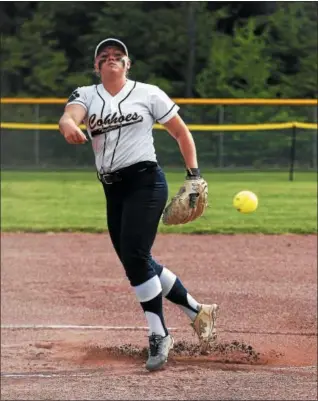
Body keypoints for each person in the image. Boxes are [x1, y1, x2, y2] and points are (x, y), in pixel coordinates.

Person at [58, 38, 219, 372]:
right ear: (97, 66)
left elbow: (180, 132)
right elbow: (68, 117)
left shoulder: (149, 93)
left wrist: (194, 175)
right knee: (138, 261)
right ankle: (196, 311)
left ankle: (159, 334)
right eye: (105, 56)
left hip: (146, 182)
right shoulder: (86, 95)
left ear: (128, 64)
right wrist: (70, 125)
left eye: (118, 55)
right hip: (113, 190)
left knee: (134, 257)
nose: (111, 59)